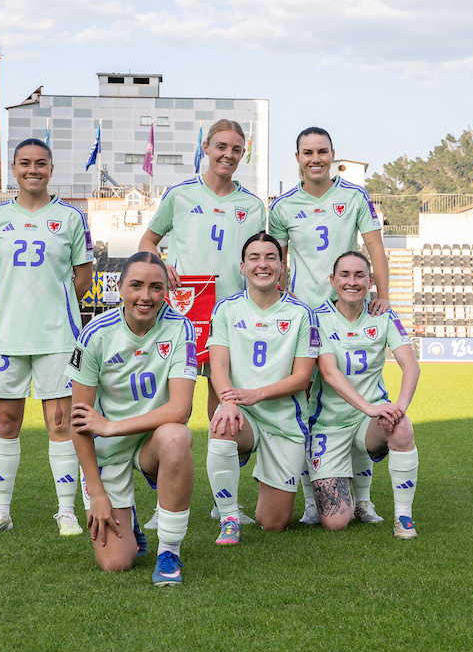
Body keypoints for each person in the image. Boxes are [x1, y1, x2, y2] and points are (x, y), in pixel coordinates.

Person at [139, 119, 265, 529]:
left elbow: (259, 258)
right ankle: (163, 506)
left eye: (236, 149)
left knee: (223, 409)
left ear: (243, 154)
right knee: (170, 413)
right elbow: (148, 241)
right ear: (206, 147)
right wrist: (160, 264)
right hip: (181, 317)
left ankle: (223, 503)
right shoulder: (180, 195)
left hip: (230, 320)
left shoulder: (253, 206)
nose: (228, 155)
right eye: (221, 146)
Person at [267, 127, 390, 525]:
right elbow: (277, 263)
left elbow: (375, 247)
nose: (315, 158)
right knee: (305, 404)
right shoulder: (283, 206)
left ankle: (364, 499)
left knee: (355, 397)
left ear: (333, 155)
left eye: (322, 151)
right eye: (308, 152)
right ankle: (311, 500)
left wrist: (383, 294)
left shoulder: (354, 196)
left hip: (348, 310)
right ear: (297, 157)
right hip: (306, 318)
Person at [0, 138, 94, 536]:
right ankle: (0, 513)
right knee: (6, 423)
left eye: (41, 163)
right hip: (7, 336)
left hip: (57, 338)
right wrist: (12, 303)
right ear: (13, 169)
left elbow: (83, 277)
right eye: (25, 163)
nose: (33, 170)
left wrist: (53, 305)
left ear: (51, 169)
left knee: (60, 425)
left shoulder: (71, 218)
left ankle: (66, 512)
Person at [66, 252, 197, 586]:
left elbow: (180, 410)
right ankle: (130, 522)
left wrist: (111, 426)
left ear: (166, 290)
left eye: (156, 287)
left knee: (177, 436)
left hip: (152, 441)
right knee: (115, 563)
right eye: (136, 285)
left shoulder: (181, 328)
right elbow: (78, 421)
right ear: (120, 287)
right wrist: (97, 493)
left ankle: (169, 552)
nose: (146, 296)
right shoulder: (95, 334)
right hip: (109, 451)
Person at [206, 232, 321, 544]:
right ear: (242, 267)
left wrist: (256, 394)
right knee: (222, 424)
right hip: (243, 415)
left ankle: (267, 478)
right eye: (254, 258)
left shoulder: (301, 313)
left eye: (271, 257)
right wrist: (229, 402)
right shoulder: (225, 309)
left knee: (274, 523)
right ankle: (229, 518)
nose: (263, 264)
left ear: (282, 266)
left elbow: (302, 378)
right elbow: (218, 366)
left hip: (284, 421)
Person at [308, 251, 421, 537]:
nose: (352, 282)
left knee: (402, 427)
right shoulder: (316, 318)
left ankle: (403, 517)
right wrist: (369, 407)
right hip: (329, 424)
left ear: (371, 281)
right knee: (335, 522)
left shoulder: (383, 315)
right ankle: (336, 492)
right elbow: (329, 372)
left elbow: (411, 365)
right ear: (332, 280)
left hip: (370, 421)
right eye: (345, 275)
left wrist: (399, 408)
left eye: (360, 276)